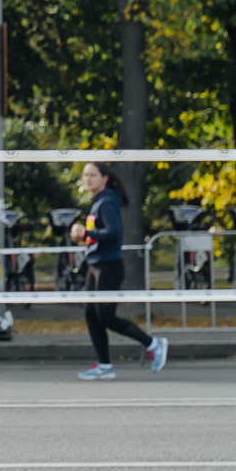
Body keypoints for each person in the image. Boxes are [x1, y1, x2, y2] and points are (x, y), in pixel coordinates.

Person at [72, 161, 167, 380]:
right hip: (97, 264)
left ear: (105, 178)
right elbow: (99, 233)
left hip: (109, 266)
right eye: (85, 175)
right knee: (91, 316)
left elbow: (114, 233)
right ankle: (104, 365)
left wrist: (86, 232)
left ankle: (153, 343)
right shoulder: (99, 201)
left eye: (92, 175)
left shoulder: (106, 201)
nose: (88, 179)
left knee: (106, 317)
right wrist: (85, 235)